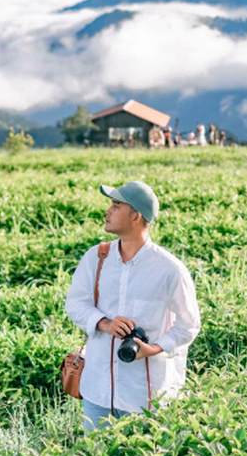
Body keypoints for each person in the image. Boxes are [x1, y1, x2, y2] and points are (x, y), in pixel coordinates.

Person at [65, 181, 201, 433]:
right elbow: (75, 303)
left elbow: (189, 325)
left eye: (116, 206)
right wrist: (105, 323)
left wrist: (153, 349)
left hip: (146, 395)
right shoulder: (96, 258)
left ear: (136, 216)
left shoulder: (170, 269)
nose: (107, 211)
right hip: (97, 390)